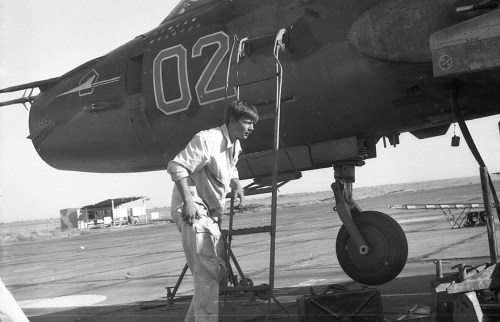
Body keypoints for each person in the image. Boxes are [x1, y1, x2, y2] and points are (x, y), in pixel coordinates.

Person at [167, 100, 258, 322]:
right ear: (231, 121)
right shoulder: (208, 139)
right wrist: (188, 202)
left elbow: (230, 166)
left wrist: (236, 183)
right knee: (208, 274)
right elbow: (177, 166)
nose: (252, 128)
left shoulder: (234, 144)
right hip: (193, 210)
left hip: (208, 215)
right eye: (247, 122)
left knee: (213, 274)